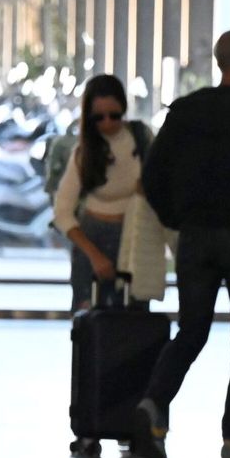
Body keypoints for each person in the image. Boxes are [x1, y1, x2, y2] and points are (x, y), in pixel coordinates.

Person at [131, 29, 230, 458]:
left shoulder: (185, 111)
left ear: (220, 64)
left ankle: (153, 402)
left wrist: (178, 220)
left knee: (192, 331)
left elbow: (153, 177)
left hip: (197, 237)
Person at [52, 75, 153, 311]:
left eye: (114, 115)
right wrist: (94, 255)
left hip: (135, 235)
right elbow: (62, 212)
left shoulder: (141, 138)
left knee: (135, 317)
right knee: (90, 318)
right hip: (92, 237)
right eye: (99, 117)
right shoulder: (83, 153)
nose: (107, 123)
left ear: (124, 109)